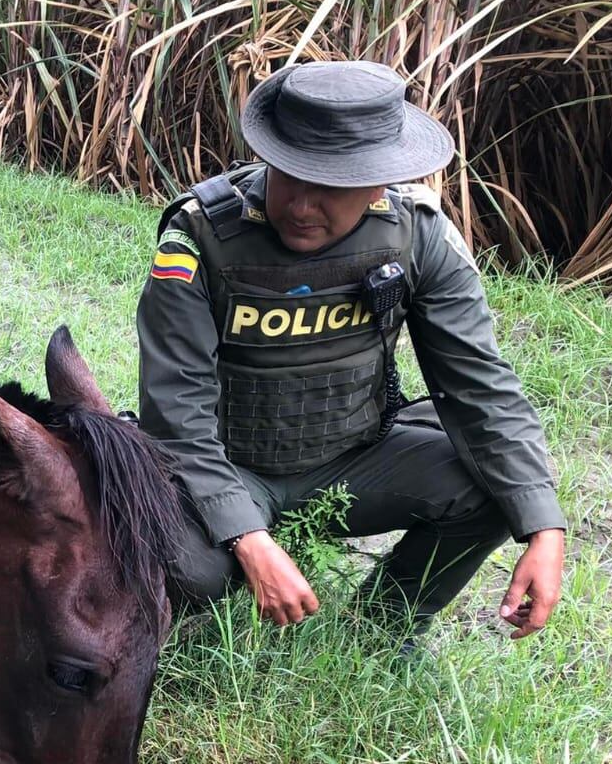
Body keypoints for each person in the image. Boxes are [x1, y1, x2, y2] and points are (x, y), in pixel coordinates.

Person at [137, 60, 566, 640]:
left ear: (380, 181)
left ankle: (382, 632)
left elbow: (479, 385)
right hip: (230, 464)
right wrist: (247, 538)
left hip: (353, 458)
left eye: (331, 186)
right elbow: (176, 413)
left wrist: (544, 530)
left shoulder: (416, 234)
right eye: (289, 175)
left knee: (498, 490)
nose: (302, 205)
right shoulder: (202, 237)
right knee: (193, 570)